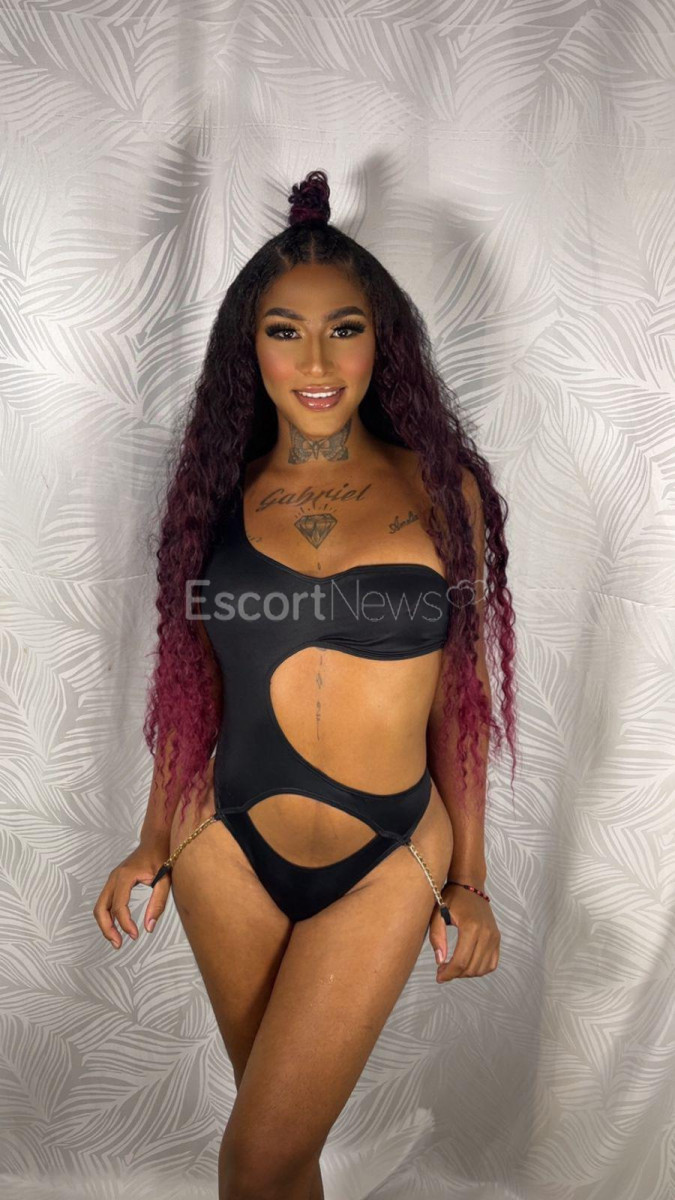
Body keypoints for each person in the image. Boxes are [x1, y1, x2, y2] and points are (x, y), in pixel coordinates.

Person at [93, 169, 517, 1200]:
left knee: (258, 1155)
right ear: (249, 348)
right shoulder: (217, 495)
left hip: (388, 852)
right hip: (222, 843)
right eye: (285, 332)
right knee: (279, 1155)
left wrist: (470, 879)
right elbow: (191, 686)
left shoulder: (441, 489)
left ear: (383, 343)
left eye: (344, 330)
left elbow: (462, 697)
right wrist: (151, 839)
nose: (317, 362)